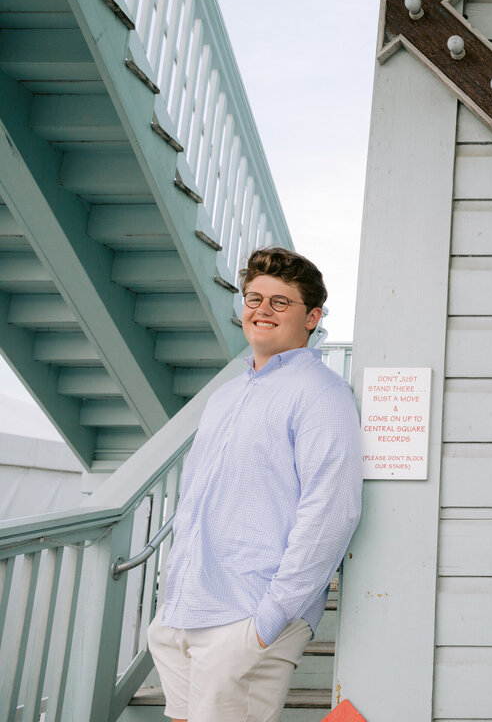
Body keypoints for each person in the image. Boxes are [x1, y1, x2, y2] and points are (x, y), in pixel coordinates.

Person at [147, 247, 363, 722]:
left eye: (279, 302)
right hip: (183, 613)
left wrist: (269, 621)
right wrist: (164, 617)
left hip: (246, 617)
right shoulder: (226, 394)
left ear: (312, 317)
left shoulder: (321, 393)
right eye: (253, 297)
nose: (261, 309)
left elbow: (331, 510)